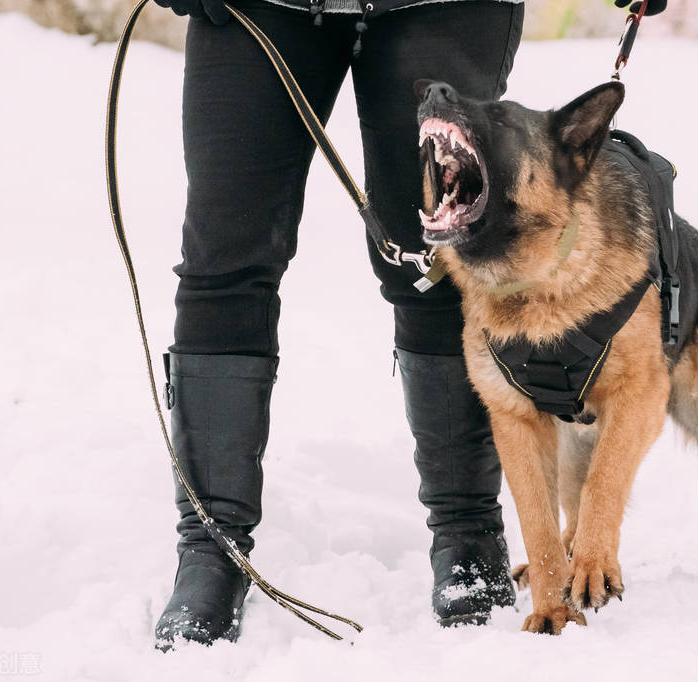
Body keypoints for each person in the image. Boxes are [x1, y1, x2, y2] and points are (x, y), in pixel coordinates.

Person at [151, 0, 526, 649]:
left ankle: (468, 534)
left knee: (438, 260)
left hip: (446, 8)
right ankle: (211, 554)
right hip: (258, 9)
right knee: (224, 260)